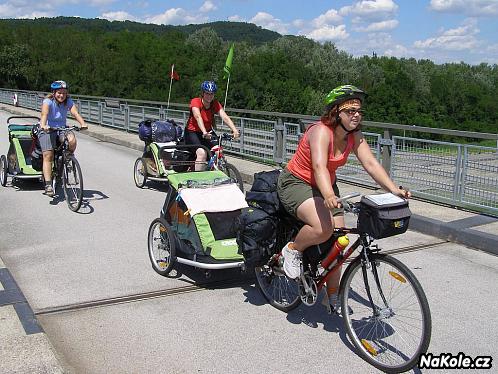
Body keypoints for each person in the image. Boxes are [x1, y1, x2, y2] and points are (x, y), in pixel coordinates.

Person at [277, 84, 410, 313]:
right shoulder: (320, 131)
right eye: (350, 111)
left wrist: (393, 189)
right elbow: (318, 166)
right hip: (297, 182)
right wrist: (329, 195)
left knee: (339, 241)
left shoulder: (354, 136)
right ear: (335, 112)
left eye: (359, 111)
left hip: (326, 185)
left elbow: (370, 163)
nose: (356, 115)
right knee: (323, 228)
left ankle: (332, 295)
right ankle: (292, 249)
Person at [38, 80, 87, 197]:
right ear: (54, 92)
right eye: (59, 93)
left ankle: (68, 157)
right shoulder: (47, 101)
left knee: (72, 140)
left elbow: (75, 113)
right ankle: (48, 184)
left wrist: (83, 123)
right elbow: (44, 115)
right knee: (48, 155)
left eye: (64, 93)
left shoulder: (68, 101)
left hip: (61, 128)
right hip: (47, 129)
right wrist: (44, 126)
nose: (62, 95)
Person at [185, 80, 239, 171]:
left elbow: (224, 117)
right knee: (202, 153)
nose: (209, 96)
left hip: (208, 132)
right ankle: (198, 180)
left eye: (212, 94)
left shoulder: (215, 104)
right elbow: (198, 117)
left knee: (219, 151)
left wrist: (234, 130)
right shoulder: (196, 101)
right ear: (203, 93)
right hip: (192, 132)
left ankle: (216, 171)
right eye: (207, 93)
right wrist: (204, 132)